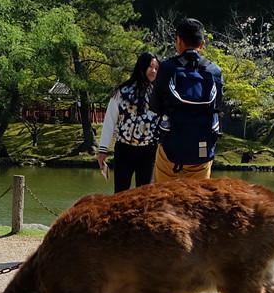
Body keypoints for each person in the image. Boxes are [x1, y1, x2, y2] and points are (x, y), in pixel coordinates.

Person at [152, 17, 224, 183]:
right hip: (202, 146)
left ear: (178, 41)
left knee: (163, 193)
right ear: (202, 44)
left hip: (171, 144)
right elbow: (218, 106)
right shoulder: (214, 71)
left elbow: (155, 105)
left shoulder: (167, 68)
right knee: (197, 193)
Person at [95, 52, 161, 192]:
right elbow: (110, 120)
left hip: (148, 151)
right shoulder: (122, 92)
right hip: (124, 149)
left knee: (145, 194)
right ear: (142, 66)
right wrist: (103, 149)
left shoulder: (158, 94)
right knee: (120, 192)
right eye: (150, 67)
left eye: (156, 68)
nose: (153, 71)